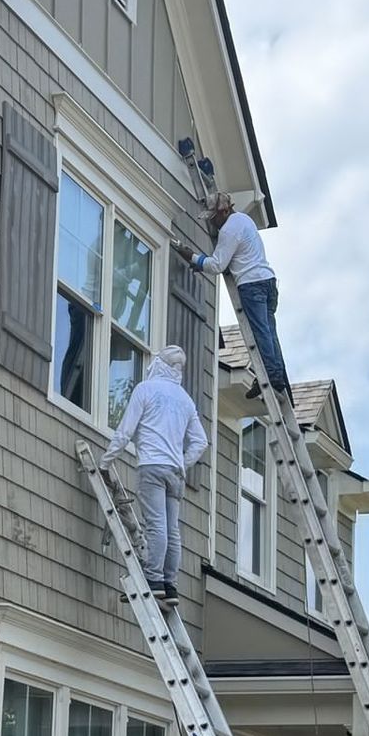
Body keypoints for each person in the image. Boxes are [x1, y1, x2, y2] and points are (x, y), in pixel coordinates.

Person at [99, 344, 207, 604]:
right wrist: (182, 462)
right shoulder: (185, 400)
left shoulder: (145, 390)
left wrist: (106, 460)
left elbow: (125, 431)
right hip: (175, 473)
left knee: (156, 525)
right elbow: (200, 442)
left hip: (152, 467)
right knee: (172, 530)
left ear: (158, 364)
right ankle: (170, 585)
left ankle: (153, 579)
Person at [173, 194, 290, 401]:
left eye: (213, 217)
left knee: (261, 334)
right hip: (268, 280)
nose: (211, 222)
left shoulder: (228, 230)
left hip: (251, 285)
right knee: (270, 333)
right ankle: (277, 377)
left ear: (225, 211)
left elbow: (217, 265)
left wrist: (193, 257)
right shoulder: (245, 220)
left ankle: (271, 376)